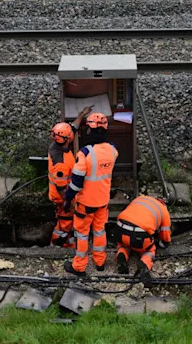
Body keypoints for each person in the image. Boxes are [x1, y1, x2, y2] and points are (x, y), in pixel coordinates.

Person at [63, 112, 118, 276]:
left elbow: (77, 183)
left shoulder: (85, 153)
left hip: (85, 204)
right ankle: (100, 262)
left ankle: (79, 267)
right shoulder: (113, 151)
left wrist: (68, 198)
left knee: (82, 234)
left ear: (89, 130)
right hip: (103, 201)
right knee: (100, 231)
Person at [47, 106, 92, 248]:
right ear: (67, 140)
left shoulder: (57, 144)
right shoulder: (60, 162)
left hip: (65, 193)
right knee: (64, 222)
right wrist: (71, 203)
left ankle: (67, 241)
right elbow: (61, 188)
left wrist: (82, 114)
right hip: (62, 197)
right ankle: (57, 244)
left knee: (68, 221)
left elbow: (73, 127)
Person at [115, 195, 171, 279]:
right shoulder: (163, 210)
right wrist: (163, 244)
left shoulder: (140, 198)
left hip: (121, 227)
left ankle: (122, 254)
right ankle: (144, 263)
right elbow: (165, 234)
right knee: (149, 250)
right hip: (140, 234)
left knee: (124, 244)